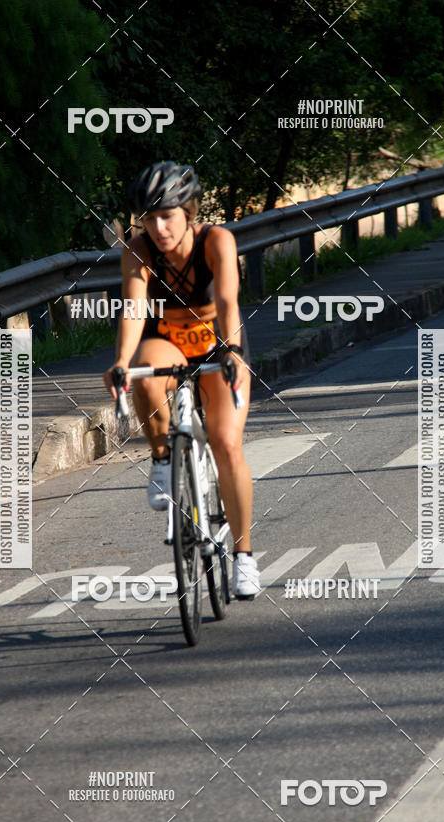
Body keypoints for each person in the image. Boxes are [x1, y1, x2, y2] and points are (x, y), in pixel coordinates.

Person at [103, 161, 260, 599]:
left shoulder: (217, 241)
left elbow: (228, 301)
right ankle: (161, 460)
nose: (158, 227)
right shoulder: (138, 250)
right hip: (168, 341)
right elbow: (134, 310)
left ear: (189, 211)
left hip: (218, 343)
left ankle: (244, 556)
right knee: (146, 379)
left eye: (167, 215)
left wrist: (231, 351)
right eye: (149, 218)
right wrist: (120, 361)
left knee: (227, 443)